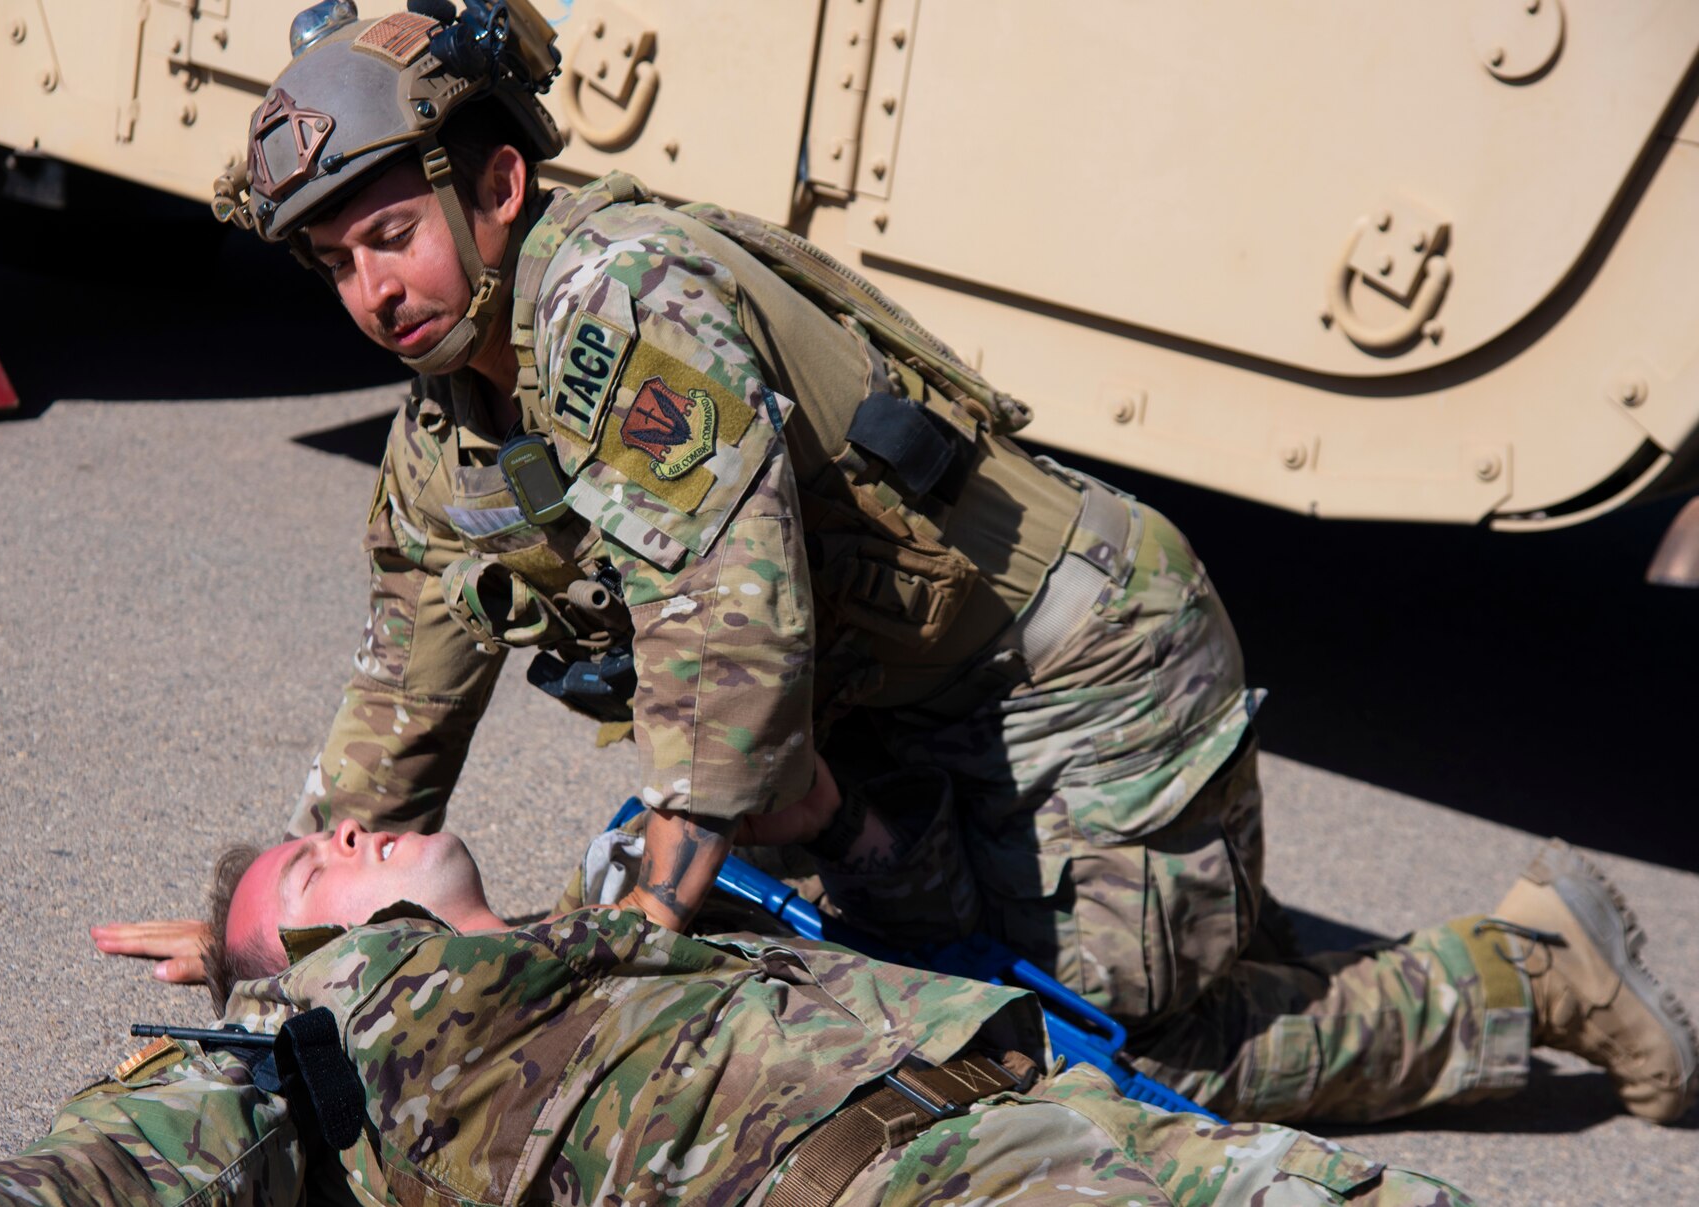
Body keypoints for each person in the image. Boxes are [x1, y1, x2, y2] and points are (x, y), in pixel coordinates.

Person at [96, 0, 1697, 1125]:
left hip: (1078, 672)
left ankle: (1527, 977)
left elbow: (730, 648)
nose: (371, 291)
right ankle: (1206, 919)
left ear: (498, 183)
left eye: (392, 235)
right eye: (335, 262)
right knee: (1042, 971)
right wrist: (270, 916)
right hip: (917, 724)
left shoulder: (616, 299)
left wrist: (632, 939)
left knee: (1096, 1052)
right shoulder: (454, 429)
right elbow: (404, 701)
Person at [0, 822, 1477, 1207]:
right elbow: (147, 1147)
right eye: (309, 873)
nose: (340, 835)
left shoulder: (613, 933)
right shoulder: (349, 1014)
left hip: (1039, 1125)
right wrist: (255, 971)